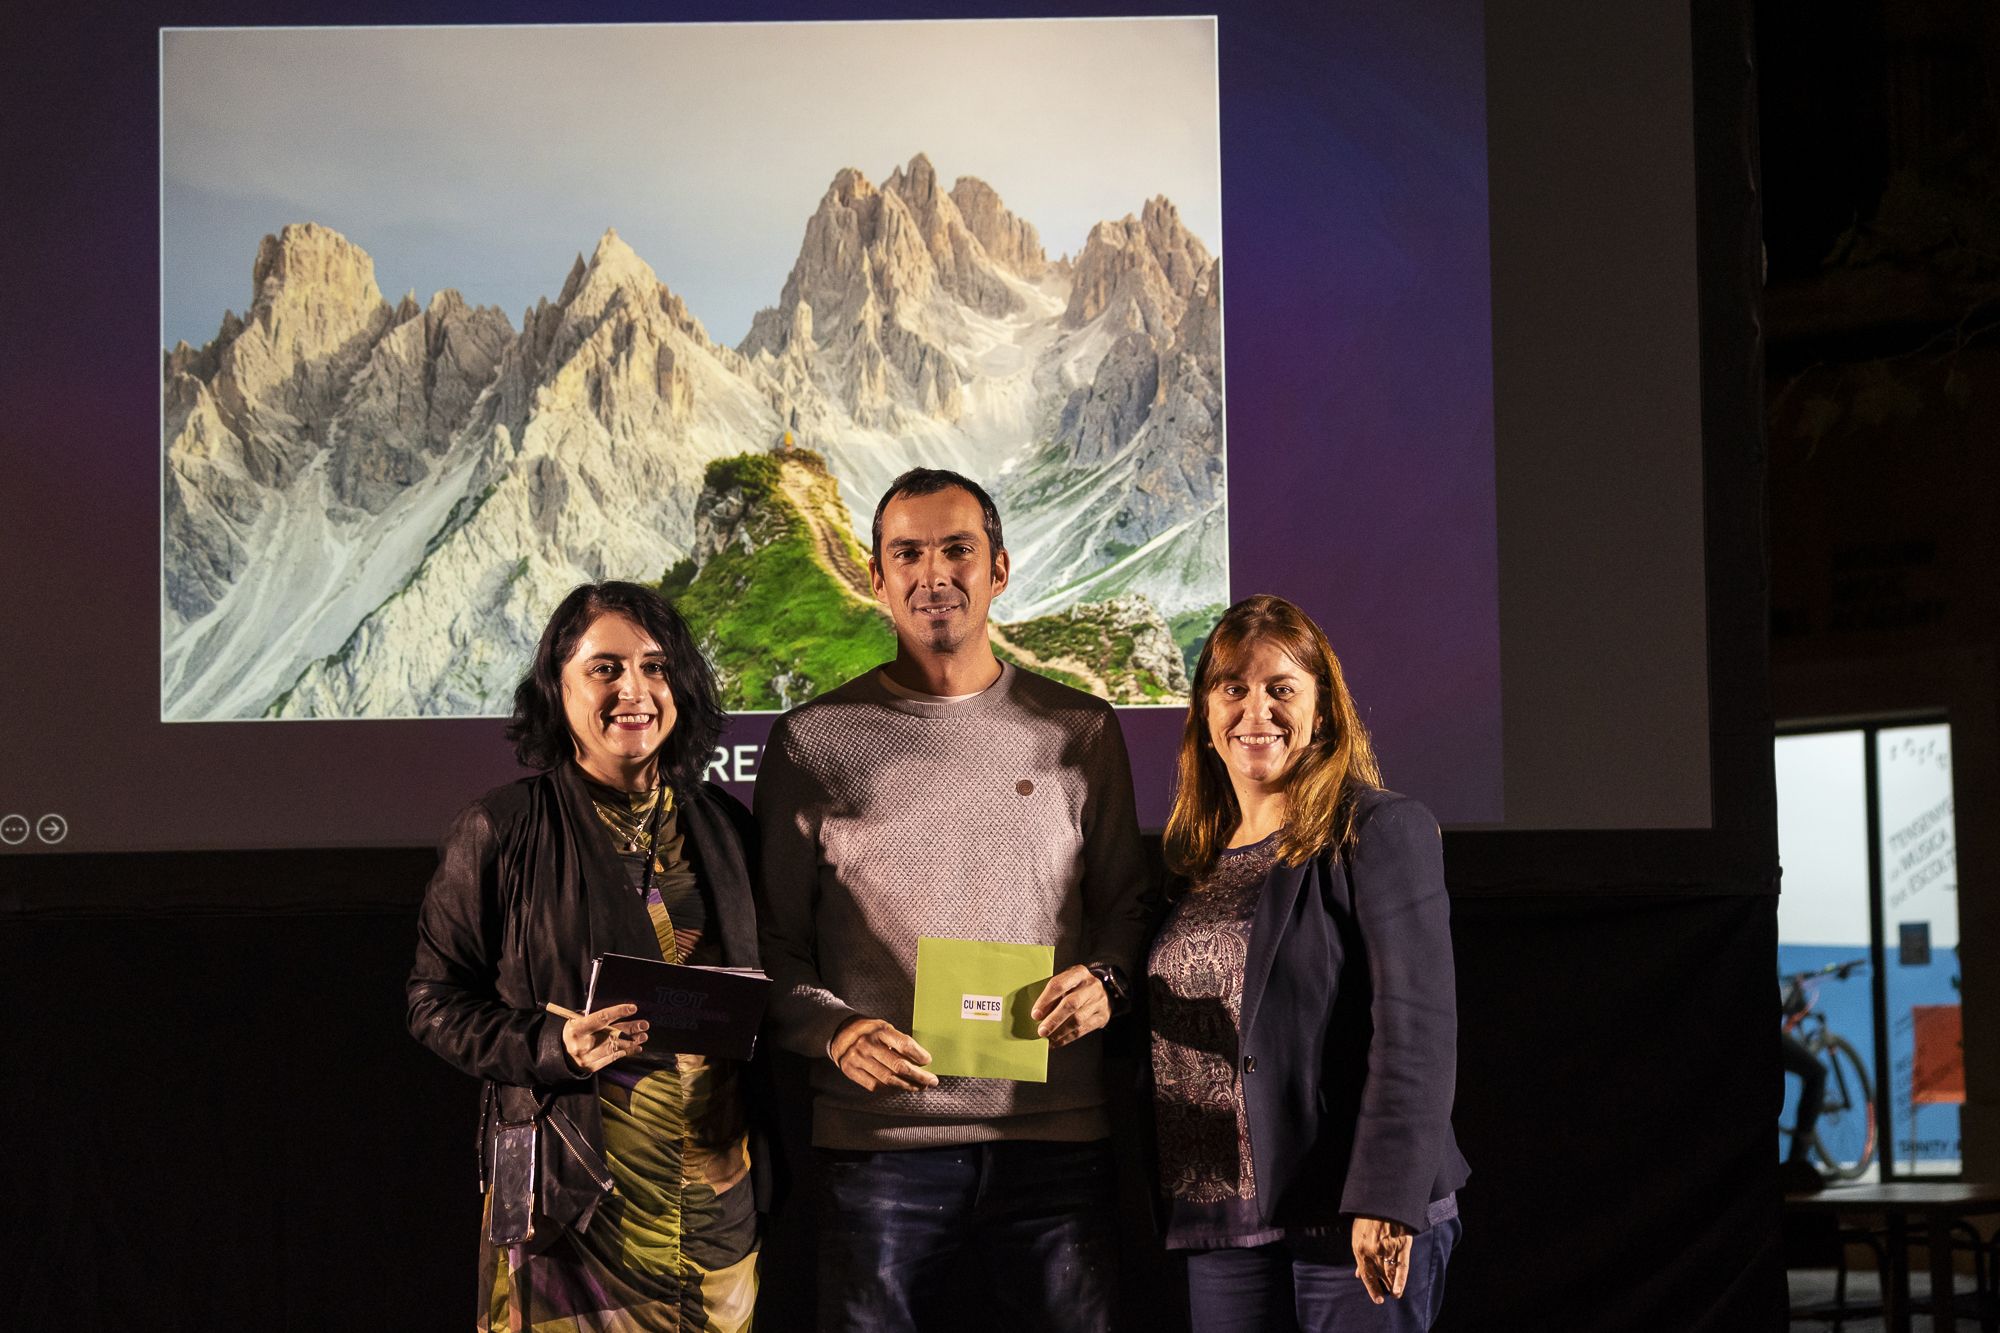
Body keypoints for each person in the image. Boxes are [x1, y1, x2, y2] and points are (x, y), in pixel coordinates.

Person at [754, 467, 1154, 1333]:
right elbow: (773, 950)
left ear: (999, 570)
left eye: (956, 549)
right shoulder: (811, 741)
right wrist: (833, 1029)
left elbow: (1128, 905)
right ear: (877, 578)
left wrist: (1109, 982)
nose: (933, 572)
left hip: (1053, 1142)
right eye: (908, 552)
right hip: (878, 1154)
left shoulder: (1082, 730)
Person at [407, 581, 769, 1332]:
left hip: (714, 1209)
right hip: (574, 1213)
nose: (633, 689)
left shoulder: (723, 825)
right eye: (605, 668)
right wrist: (550, 1042)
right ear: (558, 687)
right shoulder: (501, 829)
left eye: (655, 666)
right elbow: (432, 1001)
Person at [1149, 594, 1469, 1332]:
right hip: (1220, 1218)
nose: (1254, 708)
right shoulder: (1192, 862)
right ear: (1203, 713)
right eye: (1233, 687)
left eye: (1280, 688)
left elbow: (1417, 1032)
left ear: (1322, 711)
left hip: (1343, 1211)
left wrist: (1386, 1199)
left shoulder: (1380, 829)